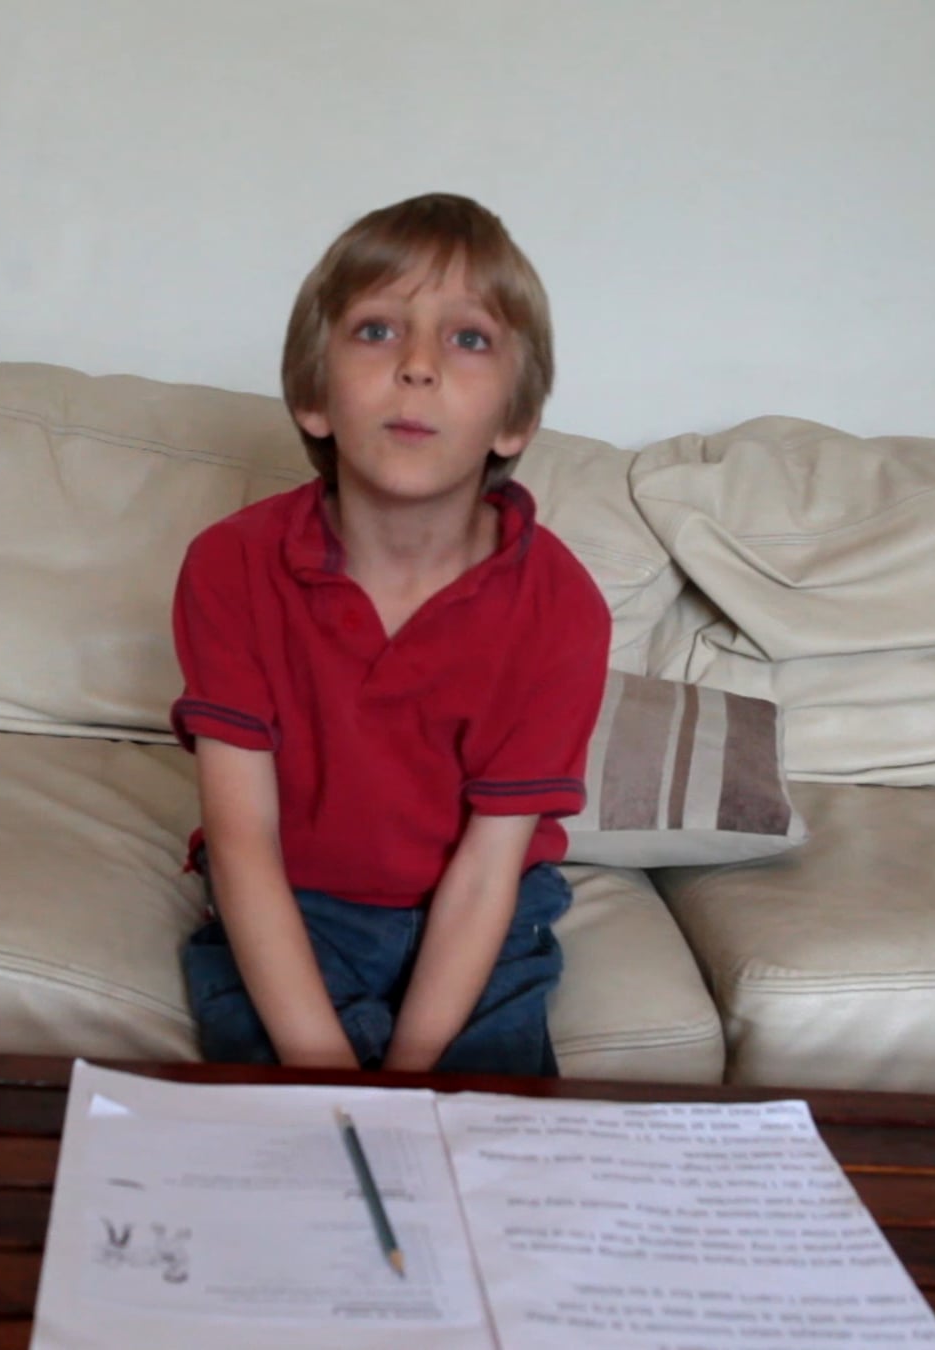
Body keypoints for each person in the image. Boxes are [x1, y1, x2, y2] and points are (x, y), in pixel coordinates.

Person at [169, 193, 610, 1077]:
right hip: (294, 902)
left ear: (515, 420)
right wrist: (328, 1079)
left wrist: (407, 1083)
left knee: (485, 1128)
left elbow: (488, 871)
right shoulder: (231, 564)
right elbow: (243, 840)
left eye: (468, 338)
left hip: (484, 912)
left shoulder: (562, 607)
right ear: (314, 396)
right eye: (377, 331)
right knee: (268, 1124)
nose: (417, 367)